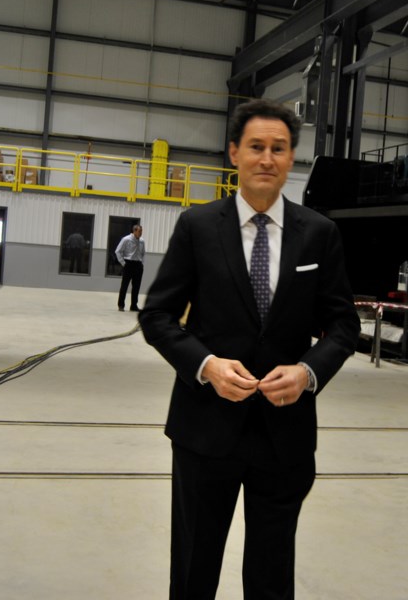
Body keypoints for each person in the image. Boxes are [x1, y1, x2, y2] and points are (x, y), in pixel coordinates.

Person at [139, 99, 360, 599]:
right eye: (256, 147)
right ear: (234, 153)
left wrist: (307, 372)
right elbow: (157, 316)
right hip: (205, 431)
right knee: (194, 568)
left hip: (284, 436)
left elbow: (344, 325)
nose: (267, 158)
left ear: (291, 158)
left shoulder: (319, 235)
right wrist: (206, 365)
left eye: (278, 149)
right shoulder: (198, 227)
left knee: (271, 572)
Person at [115, 224, 145, 312]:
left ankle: (134, 305)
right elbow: (118, 251)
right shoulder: (126, 239)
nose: (141, 233)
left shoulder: (142, 241)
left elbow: (143, 253)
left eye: (141, 231)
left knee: (136, 286)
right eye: (139, 231)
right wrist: (123, 263)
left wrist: (142, 264)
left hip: (138, 265)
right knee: (124, 285)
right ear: (134, 231)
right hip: (128, 264)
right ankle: (121, 305)